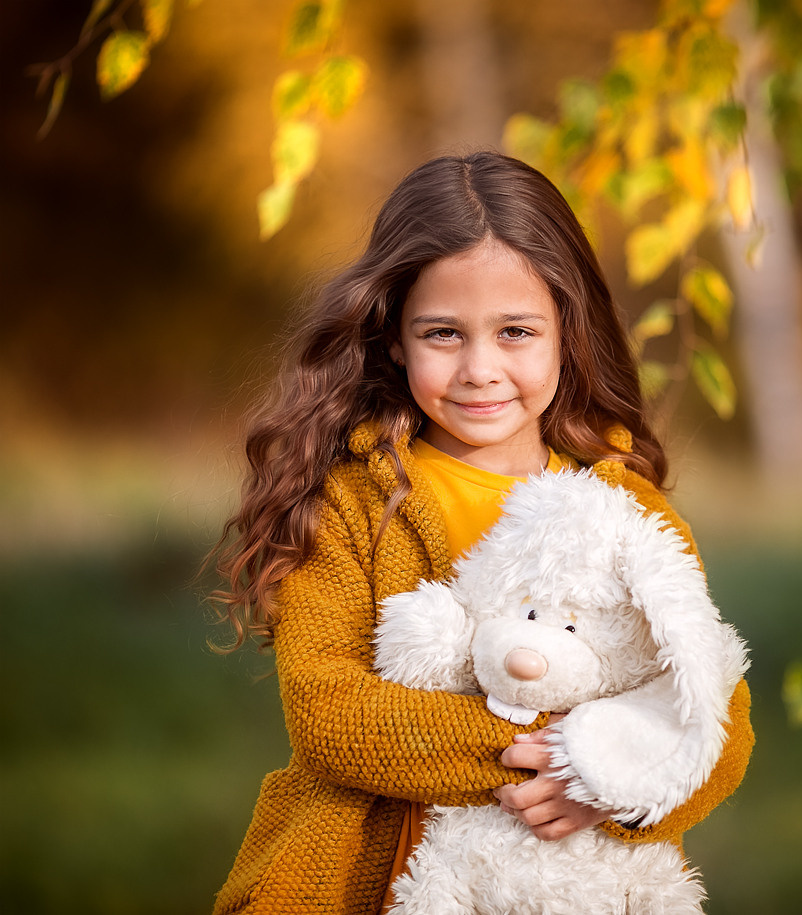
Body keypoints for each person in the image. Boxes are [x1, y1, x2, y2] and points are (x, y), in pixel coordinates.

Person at [208, 151, 754, 914]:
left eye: (516, 331)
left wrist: (611, 783)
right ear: (393, 335)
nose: (480, 368)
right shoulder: (349, 499)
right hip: (370, 881)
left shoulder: (626, 509)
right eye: (443, 333)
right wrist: (558, 756)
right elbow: (329, 711)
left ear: (569, 330)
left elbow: (715, 713)